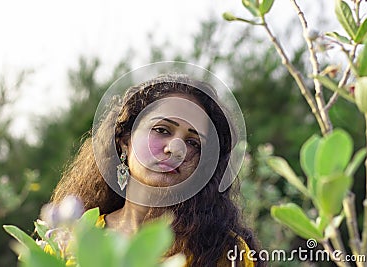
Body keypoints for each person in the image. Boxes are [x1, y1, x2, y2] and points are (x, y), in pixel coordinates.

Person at [50, 73, 263, 266]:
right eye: (162, 130)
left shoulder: (225, 253)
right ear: (125, 140)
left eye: (193, 142)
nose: (175, 149)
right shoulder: (70, 239)